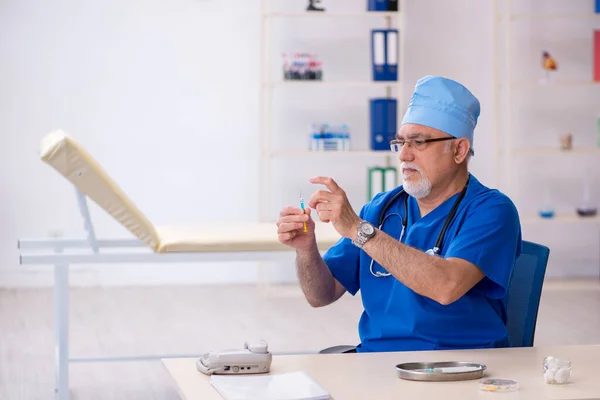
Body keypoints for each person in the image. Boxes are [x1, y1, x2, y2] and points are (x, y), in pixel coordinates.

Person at [276, 75, 522, 353]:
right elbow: (321, 295)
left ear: (458, 149)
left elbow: (446, 286)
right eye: (400, 143)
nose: (404, 155)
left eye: (418, 143)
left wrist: (359, 230)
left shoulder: (491, 211)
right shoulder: (381, 209)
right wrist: (306, 251)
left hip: (456, 368)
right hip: (376, 364)